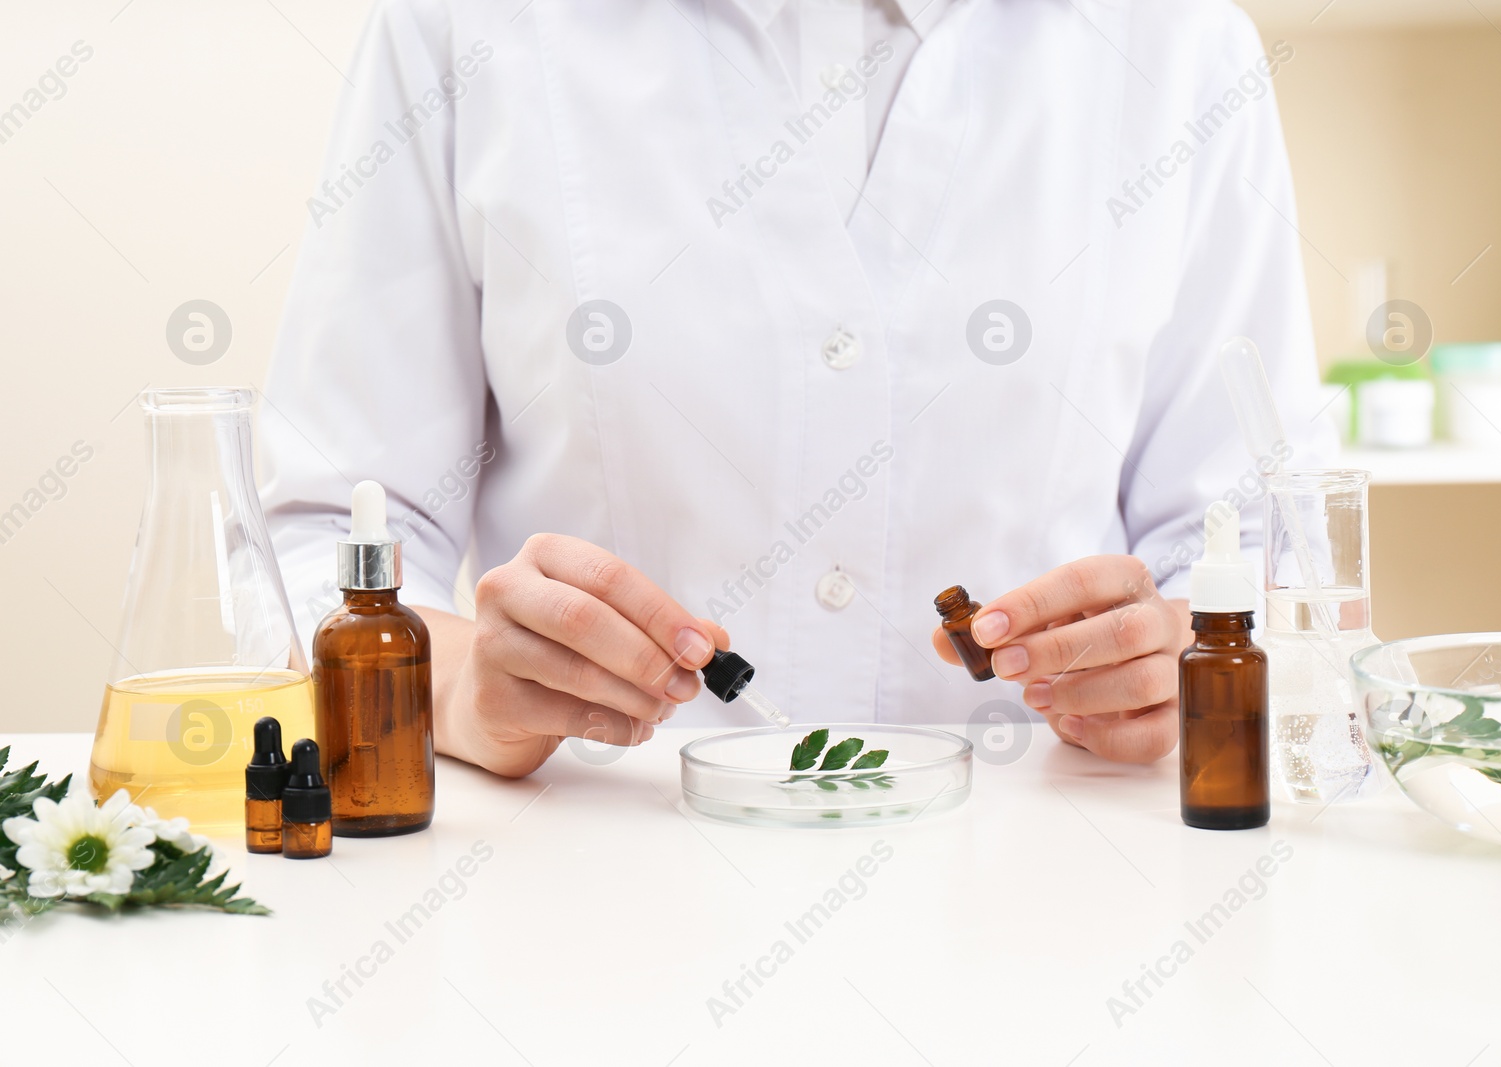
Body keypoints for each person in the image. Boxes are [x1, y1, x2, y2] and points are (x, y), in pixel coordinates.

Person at [261, 0, 1333, 778]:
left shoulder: (1180, 45)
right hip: (592, 901)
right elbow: (311, 548)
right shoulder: (462, 26)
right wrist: (454, 686)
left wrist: (1178, 664)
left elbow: (1267, 556)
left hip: (1045, 901)